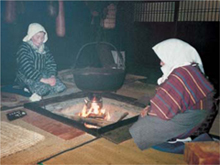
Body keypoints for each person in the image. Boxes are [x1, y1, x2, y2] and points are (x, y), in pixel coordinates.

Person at [129, 38, 215, 150]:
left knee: (143, 126)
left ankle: (180, 140)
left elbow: (164, 108)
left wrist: (149, 111)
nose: (160, 63)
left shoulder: (181, 74)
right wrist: (150, 107)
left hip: (191, 117)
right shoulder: (189, 68)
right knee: (144, 119)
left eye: (163, 59)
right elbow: (171, 98)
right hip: (195, 112)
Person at [15, 23, 66, 101]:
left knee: (60, 87)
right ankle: (26, 88)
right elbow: (27, 69)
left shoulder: (44, 48)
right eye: (37, 37)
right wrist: (45, 80)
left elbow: (51, 63)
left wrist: (52, 76)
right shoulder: (24, 49)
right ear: (31, 36)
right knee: (43, 90)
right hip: (27, 76)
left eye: (42, 37)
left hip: (43, 73)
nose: (40, 40)